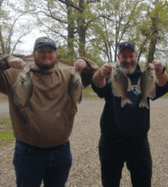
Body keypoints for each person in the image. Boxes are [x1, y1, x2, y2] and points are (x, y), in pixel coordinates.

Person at [0, 36, 98, 187]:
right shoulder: (14, 74)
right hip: (28, 152)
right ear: (34, 54)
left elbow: (95, 74)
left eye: (50, 51)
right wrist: (7, 60)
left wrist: (84, 61)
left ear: (56, 54)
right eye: (41, 51)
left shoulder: (69, 75)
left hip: (61, 151)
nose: (46, 54)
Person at [91, 41, 168, 187]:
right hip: (110, 143)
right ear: (118, 57)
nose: (128, 60)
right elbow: (97, 85)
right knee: (109, 182)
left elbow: (163, 87)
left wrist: (161, 71)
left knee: (143, 183)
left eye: (131, 56)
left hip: (139, 143)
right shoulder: (111, 74)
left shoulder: (145, 75)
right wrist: (100, 73)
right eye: (124, 56)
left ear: (136, 56)